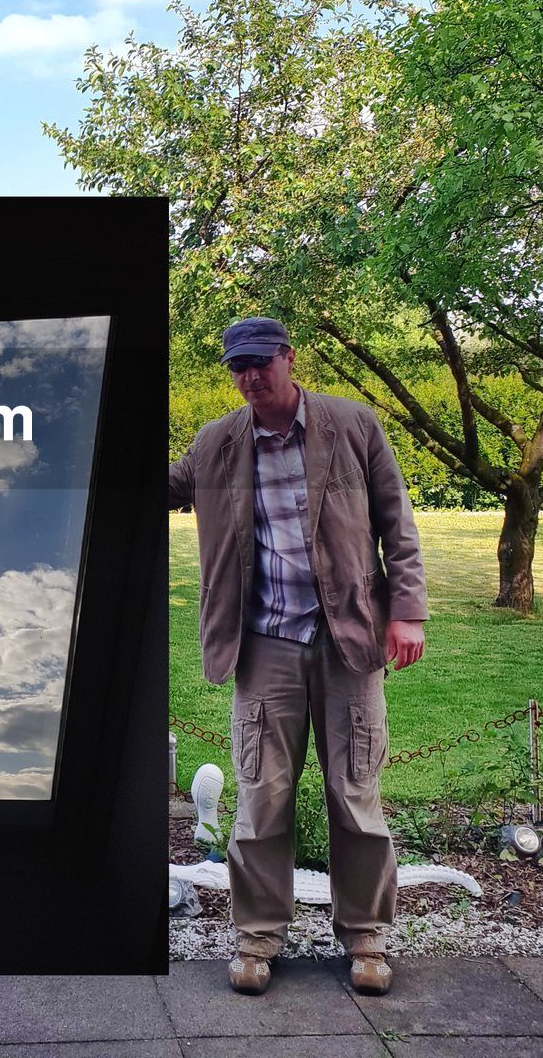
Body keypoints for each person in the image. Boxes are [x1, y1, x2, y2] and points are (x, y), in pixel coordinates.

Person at [167, 317, 427, 997]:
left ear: (288, 359)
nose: (250, 378)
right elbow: (162, 487)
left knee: (355, 794)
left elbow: (397, 521)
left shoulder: (352, 426)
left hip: (349, 641)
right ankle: (257, 940)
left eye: (260, 363)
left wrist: (407, 611)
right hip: (263, 647)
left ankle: (366, 938)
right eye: (237, 368)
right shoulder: (218, 441)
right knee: (261, 796)